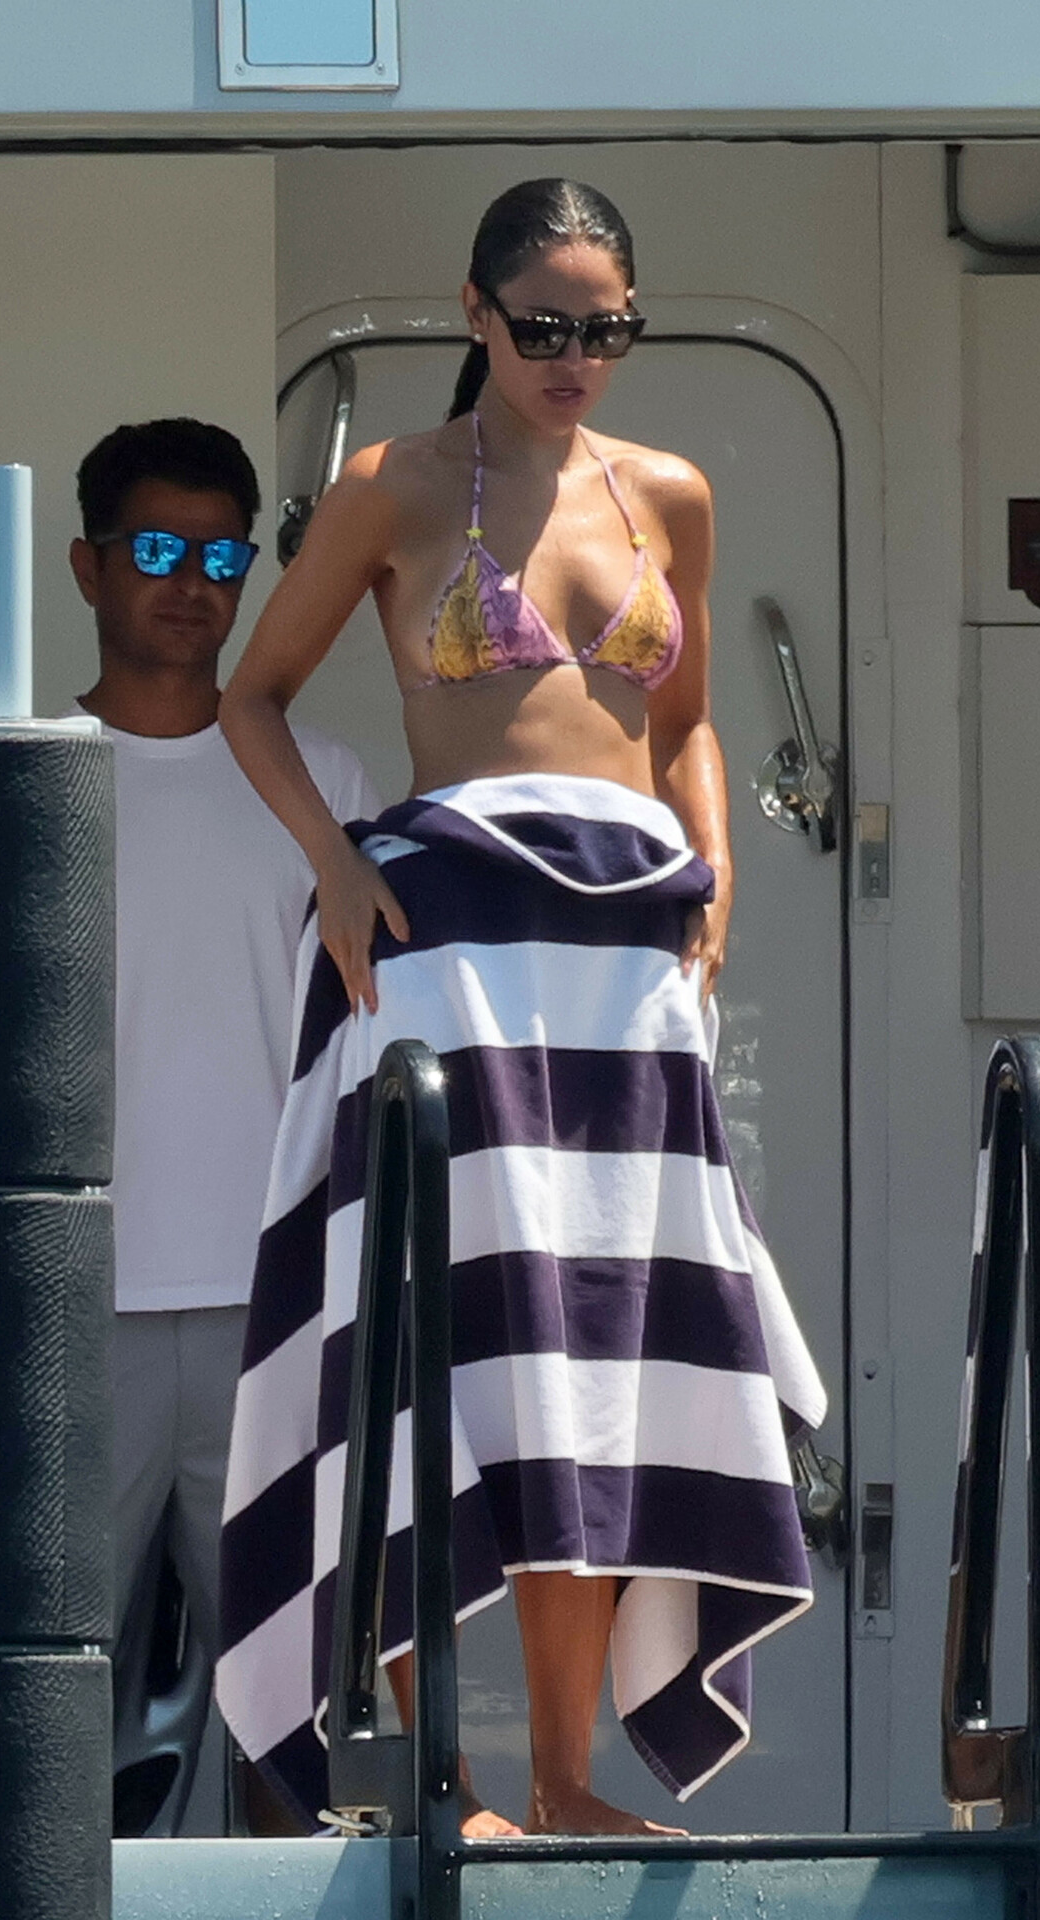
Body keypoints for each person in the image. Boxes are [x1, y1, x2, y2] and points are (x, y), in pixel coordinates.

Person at [215, 180, 827, 1839]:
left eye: (607, 329)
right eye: (544, 325)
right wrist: (336, 861)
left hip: (625, 964)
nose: (576, 358)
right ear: (474, 313)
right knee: (443, 1337)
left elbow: (683, 722)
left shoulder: (671, 493)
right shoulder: (392, 485)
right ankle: (442, 1774)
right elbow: (253, 697)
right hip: (454, 943)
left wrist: (718, 878)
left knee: (600, 1350)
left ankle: (566, 1776)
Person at [68, 417, 381, 1833]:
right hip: (72, 1311)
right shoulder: (18, 776)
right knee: (51, 1710)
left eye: (220, 555)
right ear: (88, 567)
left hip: (278, 1311)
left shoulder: (330, 786)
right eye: (155, 549)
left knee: (290, 1716)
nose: (190, 583)